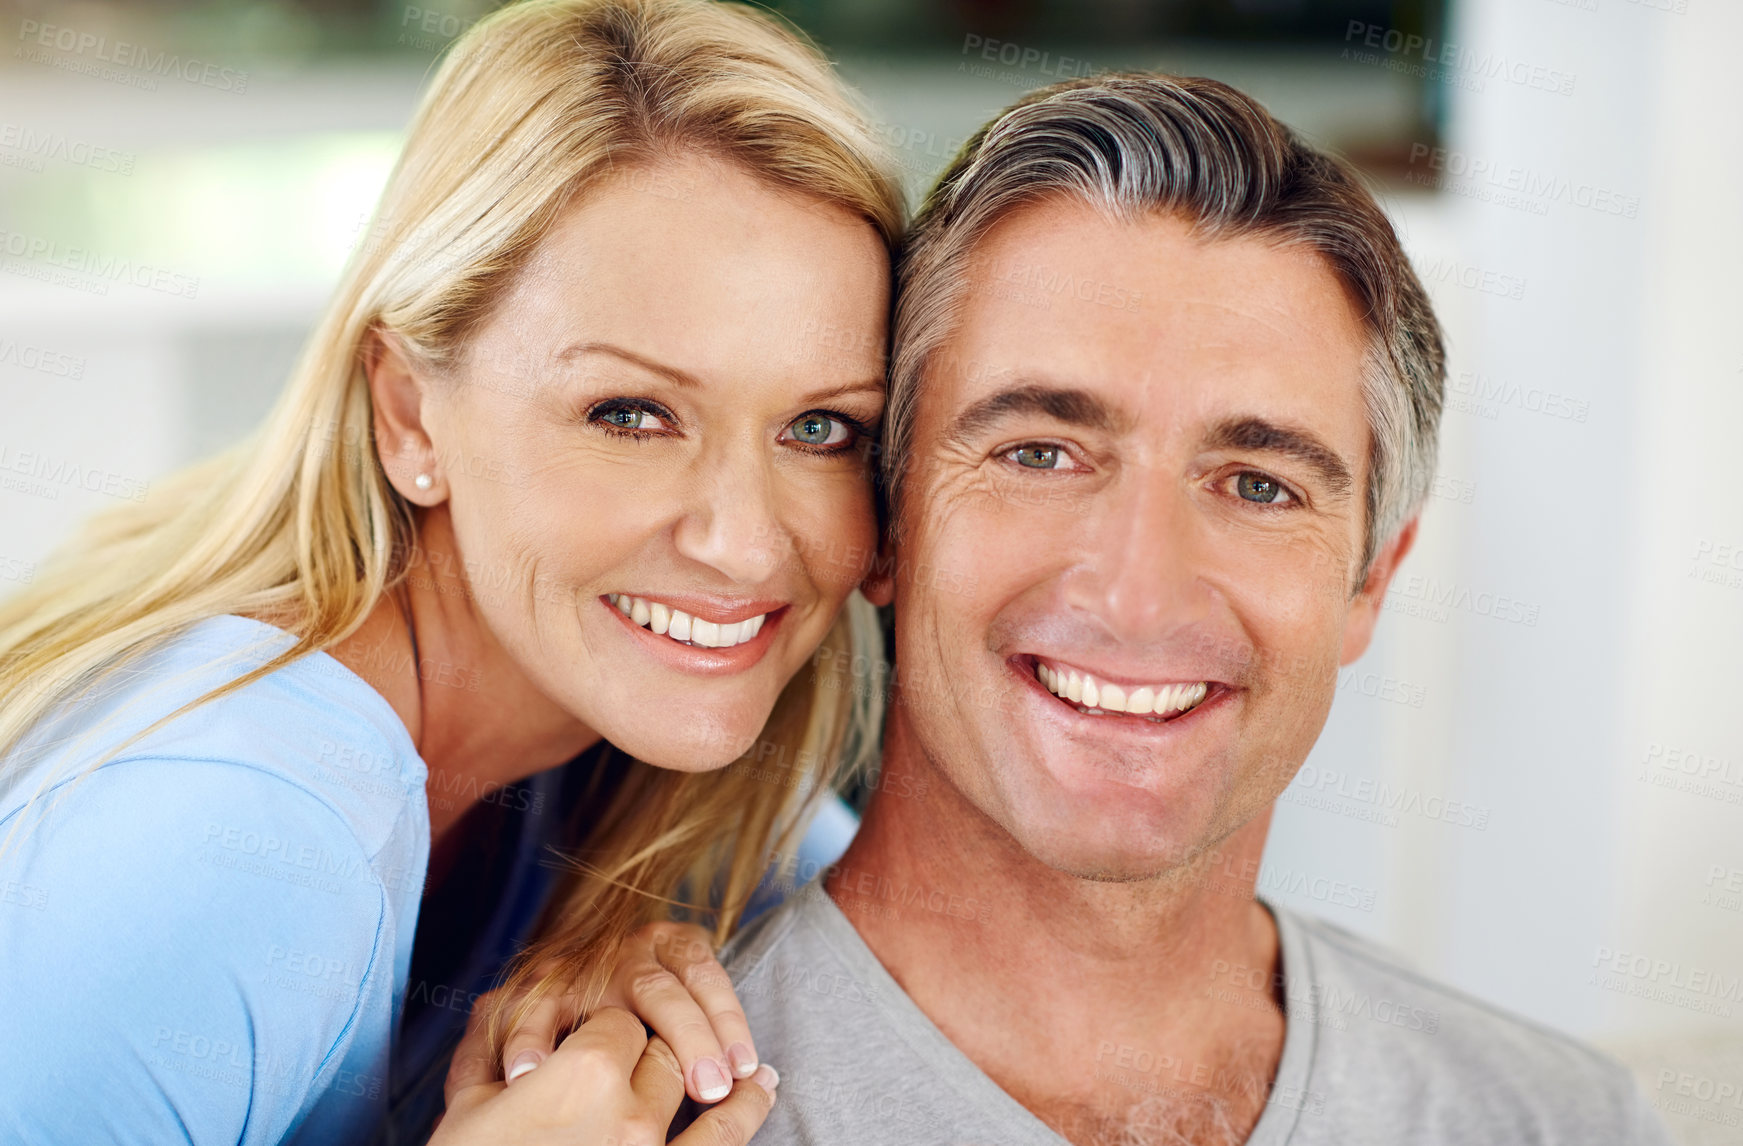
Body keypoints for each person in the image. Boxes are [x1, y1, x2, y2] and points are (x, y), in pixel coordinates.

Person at [472, 74, 1678, 1144]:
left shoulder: (1560, 1120)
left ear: (1372, 578)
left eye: (1258, 484)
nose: (1135, 590)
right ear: (886, 522)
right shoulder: (609, 1123)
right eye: (1042, 452)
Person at [0, 1, 904, 1143]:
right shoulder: (232, 831)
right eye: (630, 414)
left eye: (822, 430)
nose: (746, 541)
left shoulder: (638, 769)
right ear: (410, 414)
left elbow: (939, 976)